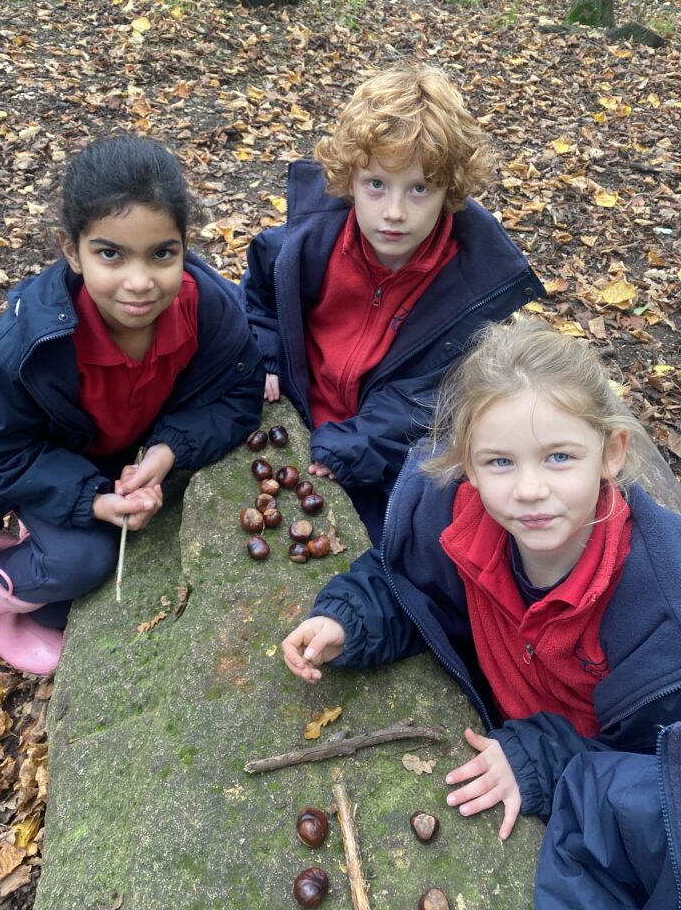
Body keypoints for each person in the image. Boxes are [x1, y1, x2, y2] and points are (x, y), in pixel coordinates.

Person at [281, 317, 681, 905]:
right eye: (500, 462)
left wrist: (540, 757)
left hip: (584, 766)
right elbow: (409, 584)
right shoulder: (454, 520)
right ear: (467, 464)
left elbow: (657, 771)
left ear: (611, 454)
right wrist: (348, 619)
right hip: (500, 722)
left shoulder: (661, 602)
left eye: (559, 457)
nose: (528, 490)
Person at [0, 135, 264, 675]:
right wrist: (91, 501)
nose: (140, 283)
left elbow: (236, 394)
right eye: (110, 254)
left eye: (162, 254)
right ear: (71, 250)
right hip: (46, 464)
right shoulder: (31, 345)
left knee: (61, 610)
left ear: (184, 245)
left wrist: (169, 451)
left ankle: (47, 557)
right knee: (85, 561)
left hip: (121, 455)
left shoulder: (209, 311)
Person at [242, 63, 544, 544]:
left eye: (419, 188)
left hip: (387, 449)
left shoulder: (467, 287)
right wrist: (267, 353)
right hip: (298, 411)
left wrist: (358, 441)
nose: (394, 213)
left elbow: (431, 393)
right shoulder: (303, 247)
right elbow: (258, 297)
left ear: (449, 191)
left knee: (399, 549)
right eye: (376, 185)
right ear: (349, 180)